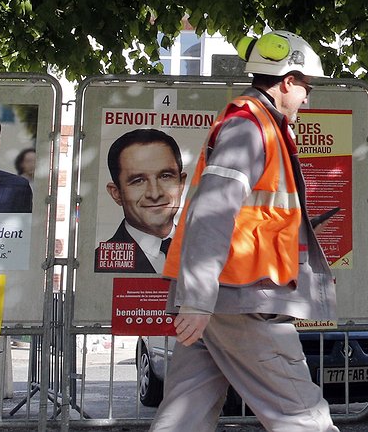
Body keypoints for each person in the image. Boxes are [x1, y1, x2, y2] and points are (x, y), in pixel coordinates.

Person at [152, 30, 339, 431]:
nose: (308, 97)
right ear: (288, 81)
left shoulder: (256, 125)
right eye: (307, 87)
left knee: (185, 414)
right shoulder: (250, 126)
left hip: (221, 297)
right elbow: (213, 212)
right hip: (240, 299)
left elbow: (248, 214)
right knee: (302, 416)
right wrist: (199, 299)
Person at [96, 129, 186, 273]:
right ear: (116, 193)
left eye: (165, 176)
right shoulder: (98, 263)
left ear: (181, 184)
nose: (155, 194)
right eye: (138, 181)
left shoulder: (209, 252)